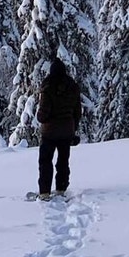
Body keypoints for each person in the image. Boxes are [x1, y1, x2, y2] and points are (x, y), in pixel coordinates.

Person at [36, 57, 82, 199]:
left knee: (45, 161)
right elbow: (77, 112)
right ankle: (61, 189)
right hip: (67, 131)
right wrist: (73, 127)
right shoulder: (73, 87)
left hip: (49, 132)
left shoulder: (48, 87)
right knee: (63, 161)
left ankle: (44, 192)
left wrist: (40, 117)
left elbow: (43, 113)